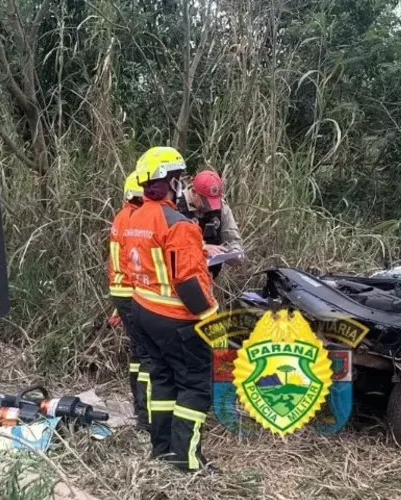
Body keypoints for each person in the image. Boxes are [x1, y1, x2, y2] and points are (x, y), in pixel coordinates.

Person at [121, 146, 219, 473]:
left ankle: (162, 450)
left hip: (143, 311)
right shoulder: (179, 225)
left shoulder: (134, 218)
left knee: (162, 381)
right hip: (178, 319)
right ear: (169, 181)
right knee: (195, 387)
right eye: (178, 178)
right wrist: (210, 319)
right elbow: (189, 283)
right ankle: (186, 462)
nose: (181, 184)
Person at [107, 169, 151, 431]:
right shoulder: (136, 220)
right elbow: (138, 263)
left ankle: (139, 408)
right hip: (133, 292)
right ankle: (146, 417)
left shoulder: (122, 216)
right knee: (146, 355)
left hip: (121, 292)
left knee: (138, 353)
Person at [181, 169, 244, 278]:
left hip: (208, 277)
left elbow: (233, 239)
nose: (210, 207)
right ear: (194, 192)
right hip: (180, 279)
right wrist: (202, 248)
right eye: (206, 202)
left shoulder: (222, 208)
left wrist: (234, 253)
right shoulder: (176, 206)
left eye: (213, 202)